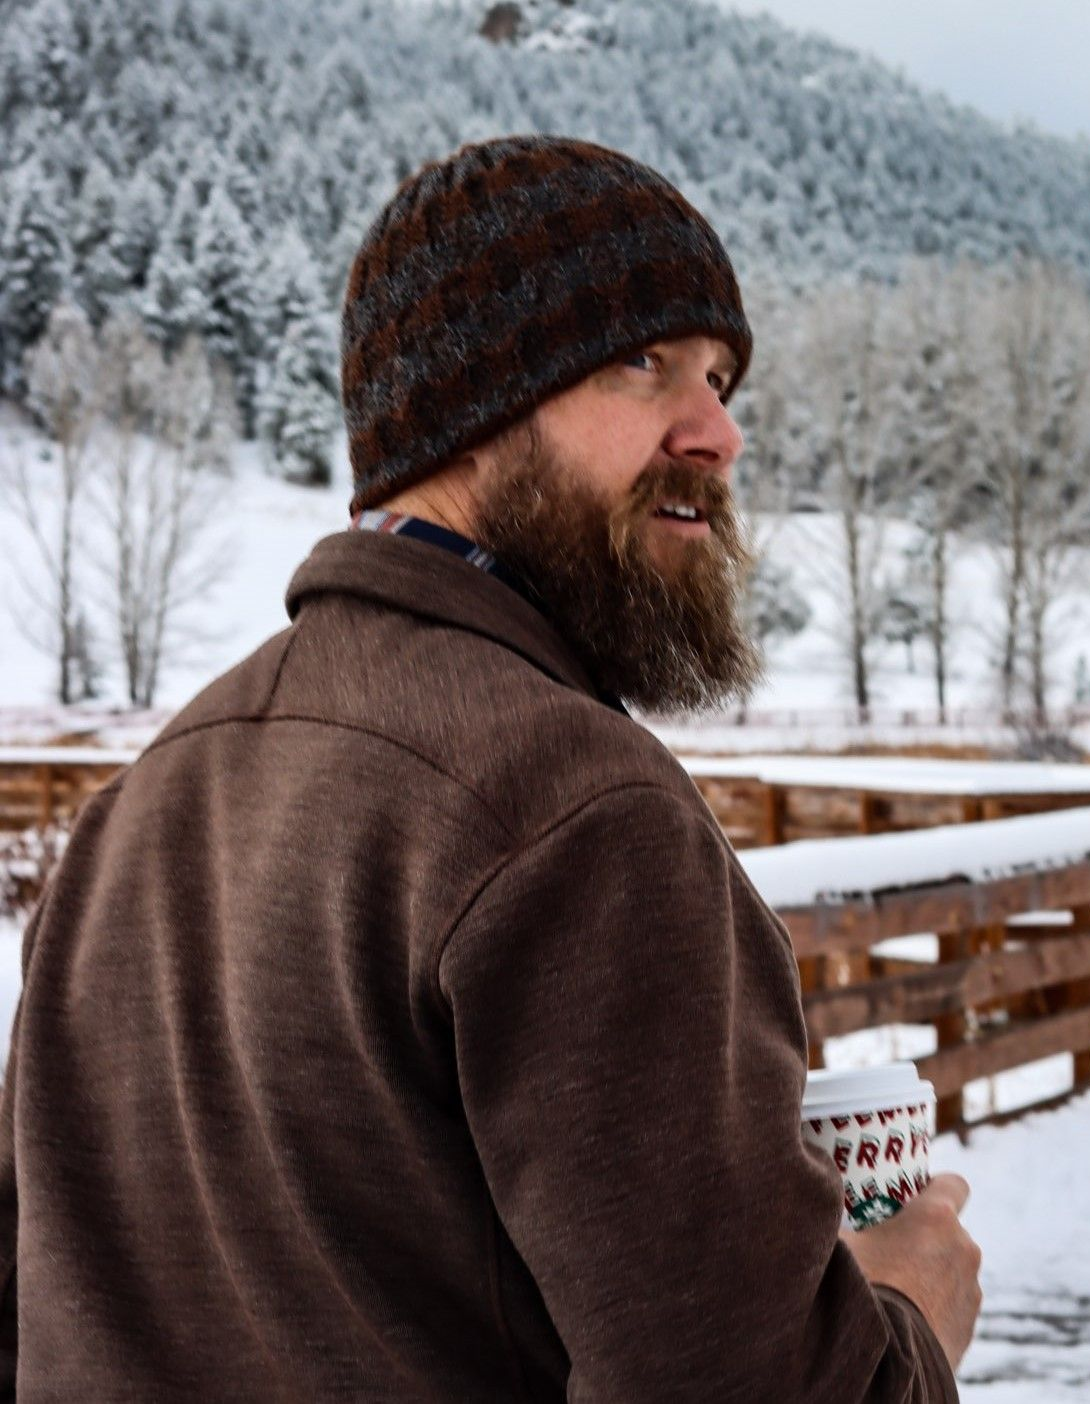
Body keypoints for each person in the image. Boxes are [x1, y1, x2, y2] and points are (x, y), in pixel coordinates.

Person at [0, 134, 980, 1400]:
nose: (718, 432)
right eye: (643, 362)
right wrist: (907, 1318)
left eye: (720, 377)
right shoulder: (577, 810)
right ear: (463, 404)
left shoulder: (142, 801)